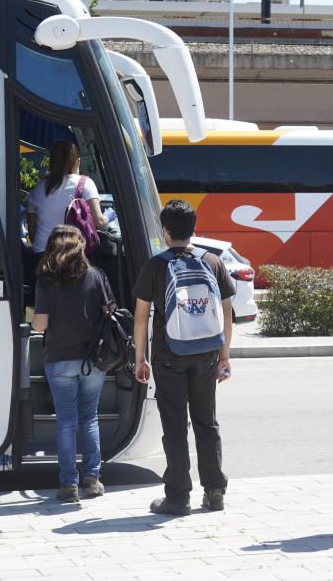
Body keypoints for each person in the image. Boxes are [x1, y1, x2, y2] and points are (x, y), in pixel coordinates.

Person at [132, 199, 235, 517]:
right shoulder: (213, 261)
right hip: (206, 354)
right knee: (207, 422)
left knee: (175, 426)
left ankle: (178, 497)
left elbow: (140, 317)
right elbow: (226, 313)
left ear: (165, 230)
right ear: (193, 228)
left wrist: (140, 358)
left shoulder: (156, 266)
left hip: (168, 355)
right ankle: (214, 491)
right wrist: (224, 356)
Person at [31, 225, 111, 503]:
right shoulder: (96, 276)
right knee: (89, 418)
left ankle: (69, 485)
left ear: (53, 247)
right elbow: (110, 315)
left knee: (66, 422)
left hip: (59, 359)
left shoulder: (46, 280)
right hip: (93, 360)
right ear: (80, 246)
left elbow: (40, 325)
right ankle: (92, 479)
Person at [26, 140, 109, 257]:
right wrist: (109, 217)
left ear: (51, 162)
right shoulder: (85, 183)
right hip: (71, 255)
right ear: (77, 162)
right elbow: (99, 222)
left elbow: (32, 233)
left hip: (41, 254)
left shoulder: (36, 190)